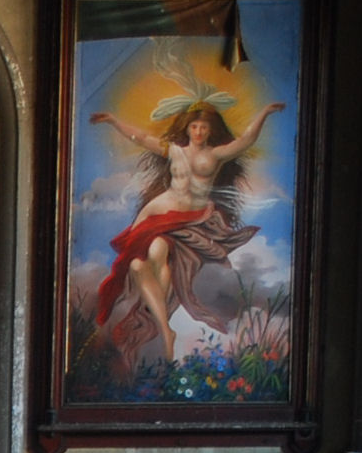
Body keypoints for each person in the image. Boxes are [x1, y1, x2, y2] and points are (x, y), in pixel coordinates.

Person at [88, 98, 288, 372]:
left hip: (191, 219)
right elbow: (142, 137)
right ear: (188, 128)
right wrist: (113, 121)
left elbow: (245, 140)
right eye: (194, 126)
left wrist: (264, 112)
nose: (198, 132)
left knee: (156, 254)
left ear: (210, 130)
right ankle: (164, 329)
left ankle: (164, 329)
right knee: (136, 264)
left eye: (204, 127)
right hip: (160, 213)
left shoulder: (215, 155)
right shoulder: (175, 151)